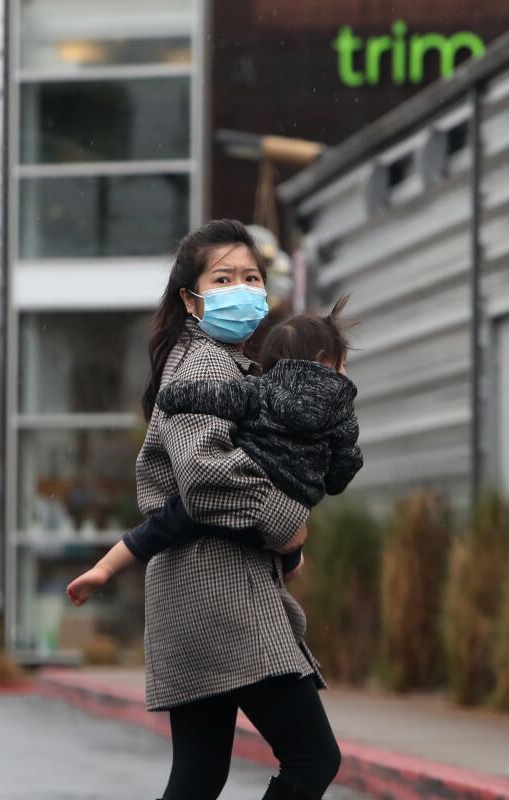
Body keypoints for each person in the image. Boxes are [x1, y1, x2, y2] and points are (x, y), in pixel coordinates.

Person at [82, 220, 343, 800]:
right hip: (219, 596)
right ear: (191, 297)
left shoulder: (224, 367)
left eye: (251, 276)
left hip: (195, 591)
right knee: (312, 758)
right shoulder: (203, 368)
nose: (242, 288)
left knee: (200, 775)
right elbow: (204, 479)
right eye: (223, 278)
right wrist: (284, 524)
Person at [66, 298, 362, 607]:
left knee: (171, 521)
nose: (344, 373)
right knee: (291, 532)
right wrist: (343, 461)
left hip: (244, 485)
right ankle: (291, 561)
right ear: (323, 360)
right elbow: (339, 476)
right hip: (286, 513)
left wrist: (174, 396)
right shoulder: (342, 415)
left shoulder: (261, 390)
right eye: (342, 364)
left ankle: (105, 568)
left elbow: (218, 397)